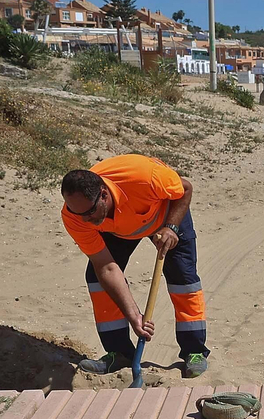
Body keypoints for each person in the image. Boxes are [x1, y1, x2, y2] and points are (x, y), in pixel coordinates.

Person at [60, 156, 209, 378]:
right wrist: (134, 316)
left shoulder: (146, 178)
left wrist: (171, 227)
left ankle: (195, 351)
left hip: (164, 215)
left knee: (182, 278)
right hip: (118, 229)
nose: (84, 220)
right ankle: (119, 353)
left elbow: (185, 189)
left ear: (103, 194)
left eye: (89, 212)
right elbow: (106, 267)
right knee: (96, 279)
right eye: (77, 214)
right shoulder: (76, 217)